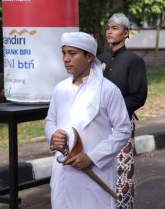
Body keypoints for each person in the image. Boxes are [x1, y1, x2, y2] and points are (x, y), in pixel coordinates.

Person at [45, 32, 131, 209]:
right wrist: (53, 135)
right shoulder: (60, 89)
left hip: (95, 172)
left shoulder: (108, 90)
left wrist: (92, 157)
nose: (66, 59)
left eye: (72, 53)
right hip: (63, 172)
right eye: (64, 53)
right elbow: (50, 120)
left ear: (89, 56)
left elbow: (123, 130)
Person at [98, 13, 148, 209]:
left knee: (122, 172)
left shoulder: (134, 61)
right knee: (100, 166)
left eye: (115, 28)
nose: (110, 31)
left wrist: (113, 112)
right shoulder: (99, 60)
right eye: (108, 27)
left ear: (126, 33)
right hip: (99, 124)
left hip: (121, 123)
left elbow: (138, 97)